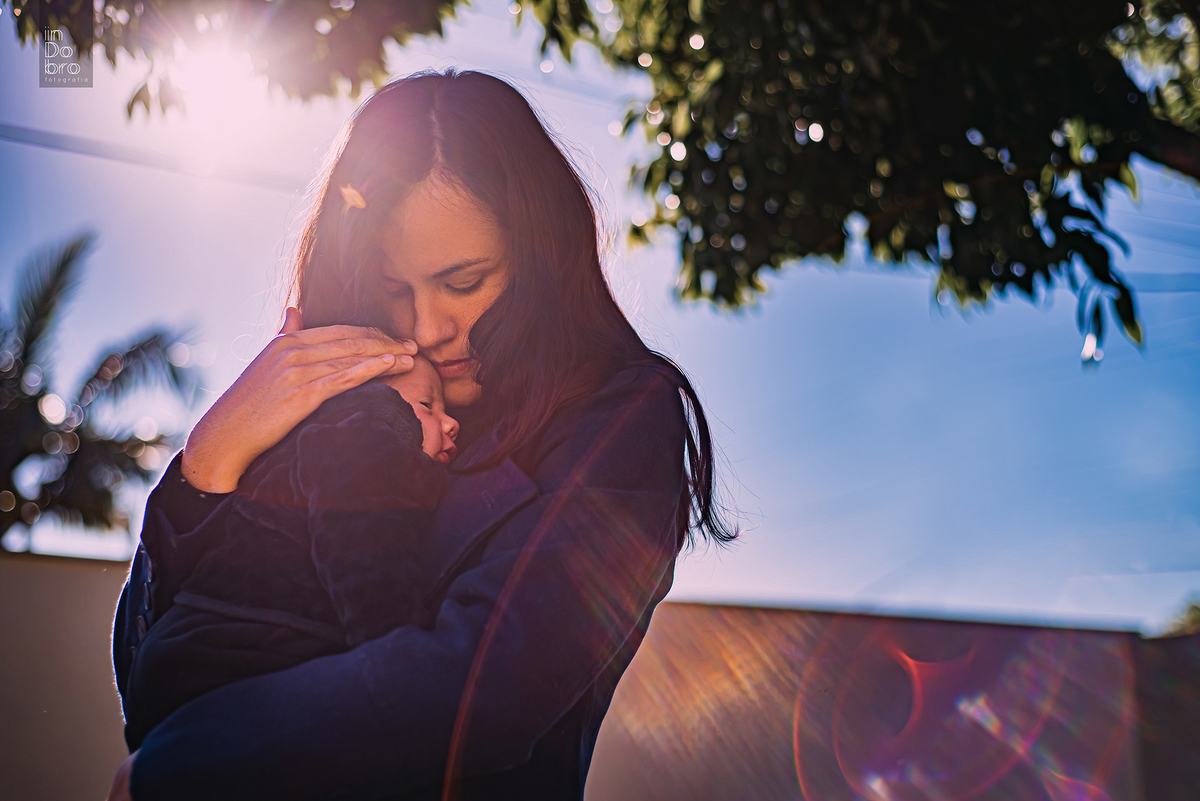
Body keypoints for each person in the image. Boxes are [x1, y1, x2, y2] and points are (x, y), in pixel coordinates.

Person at [108, 68, 733, 801]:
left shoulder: (620, 419)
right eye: (397, 290)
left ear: (543, 257)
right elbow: (156, 681)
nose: (428, 329)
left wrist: (181, 767)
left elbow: (492, 683)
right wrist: (204, 469)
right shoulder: (347, 399)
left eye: (465, 282)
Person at [117, 357, 459, 750]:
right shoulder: (363, 434)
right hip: (231, 654)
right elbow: (366, 553)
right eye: (428, 406)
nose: (451, 423)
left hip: (182, 658)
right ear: (369, 397)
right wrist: (400, 659)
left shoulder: (296, 454)